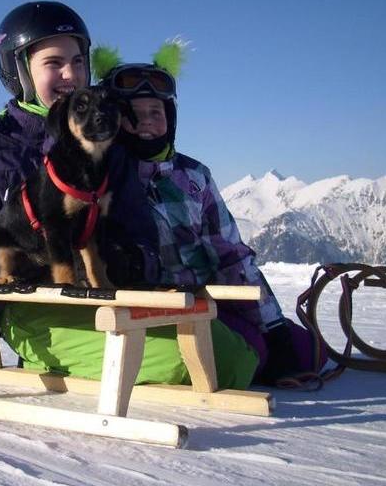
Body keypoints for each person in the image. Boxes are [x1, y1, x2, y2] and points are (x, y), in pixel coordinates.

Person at [0, 2, 257, 389]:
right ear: (19, 72)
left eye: (78, 61)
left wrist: (122, 262)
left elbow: (140, 237)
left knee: (227, 345)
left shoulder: (110, 149)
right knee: (216, 358)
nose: (71, 74)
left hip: (106, 298)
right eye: (54, 63)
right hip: (30, 314)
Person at [94, 42, 325, 386]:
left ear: (170, 118)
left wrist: (273, 325)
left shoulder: (194, 177)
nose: (145, 123)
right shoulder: (106, 180)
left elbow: (231, 255)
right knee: (252, 353)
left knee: (309, 351)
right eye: (133, 114)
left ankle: (261, 341)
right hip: (157, 307)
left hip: (210, 298)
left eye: (155, 112)